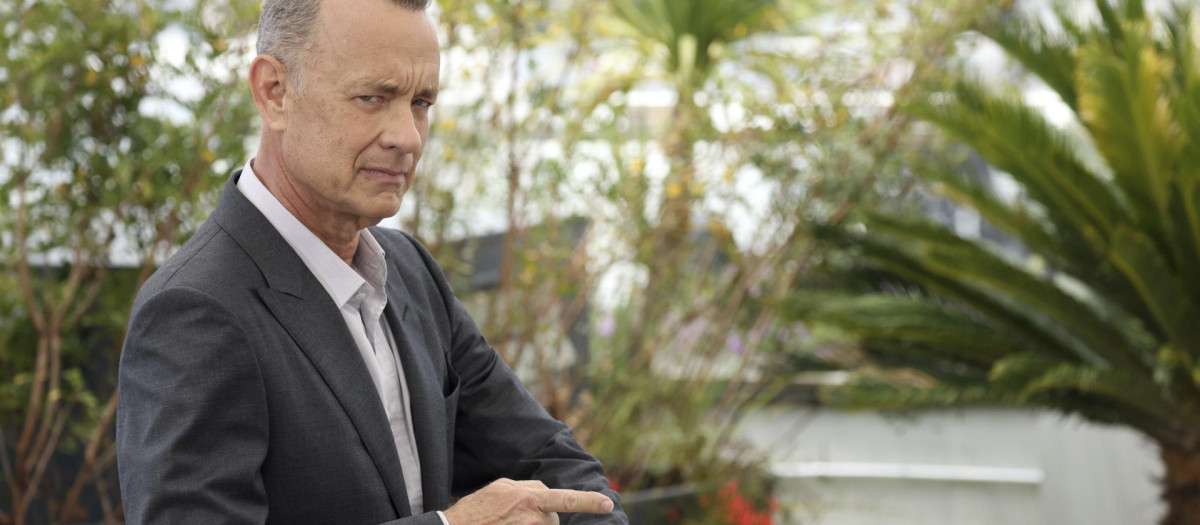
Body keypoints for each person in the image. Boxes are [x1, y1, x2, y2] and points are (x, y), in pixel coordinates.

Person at [115, 0, 626, 523]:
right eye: (372, 98)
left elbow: (558, 467)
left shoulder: (409, 273)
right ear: (275, 93)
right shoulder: (195, 310)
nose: (406, 136)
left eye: (421, 102)